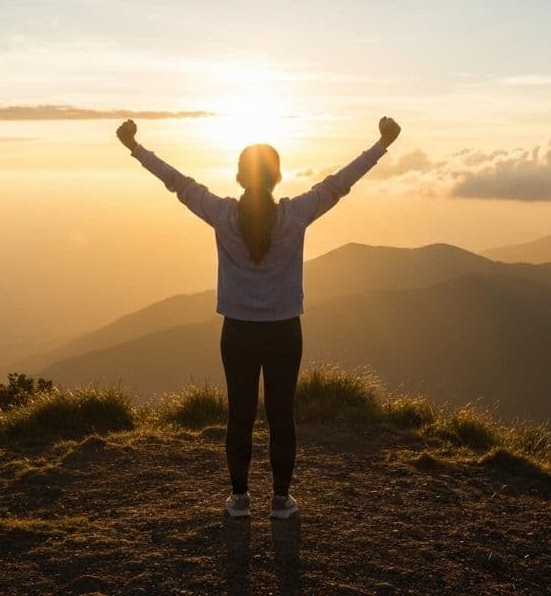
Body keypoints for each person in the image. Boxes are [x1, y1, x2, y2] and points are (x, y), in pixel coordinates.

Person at [117, 116, 401, 519]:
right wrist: (382, 144)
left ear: (237, 176)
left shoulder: (221, 214)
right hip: (285, 330)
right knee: (282, 414)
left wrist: (135, 147)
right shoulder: (295, 215)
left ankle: (239, 498)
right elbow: (339, 184)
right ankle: (281, 501)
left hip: (238, 332)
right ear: (278, 177)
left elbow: (178, 183)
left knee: (240, 413)